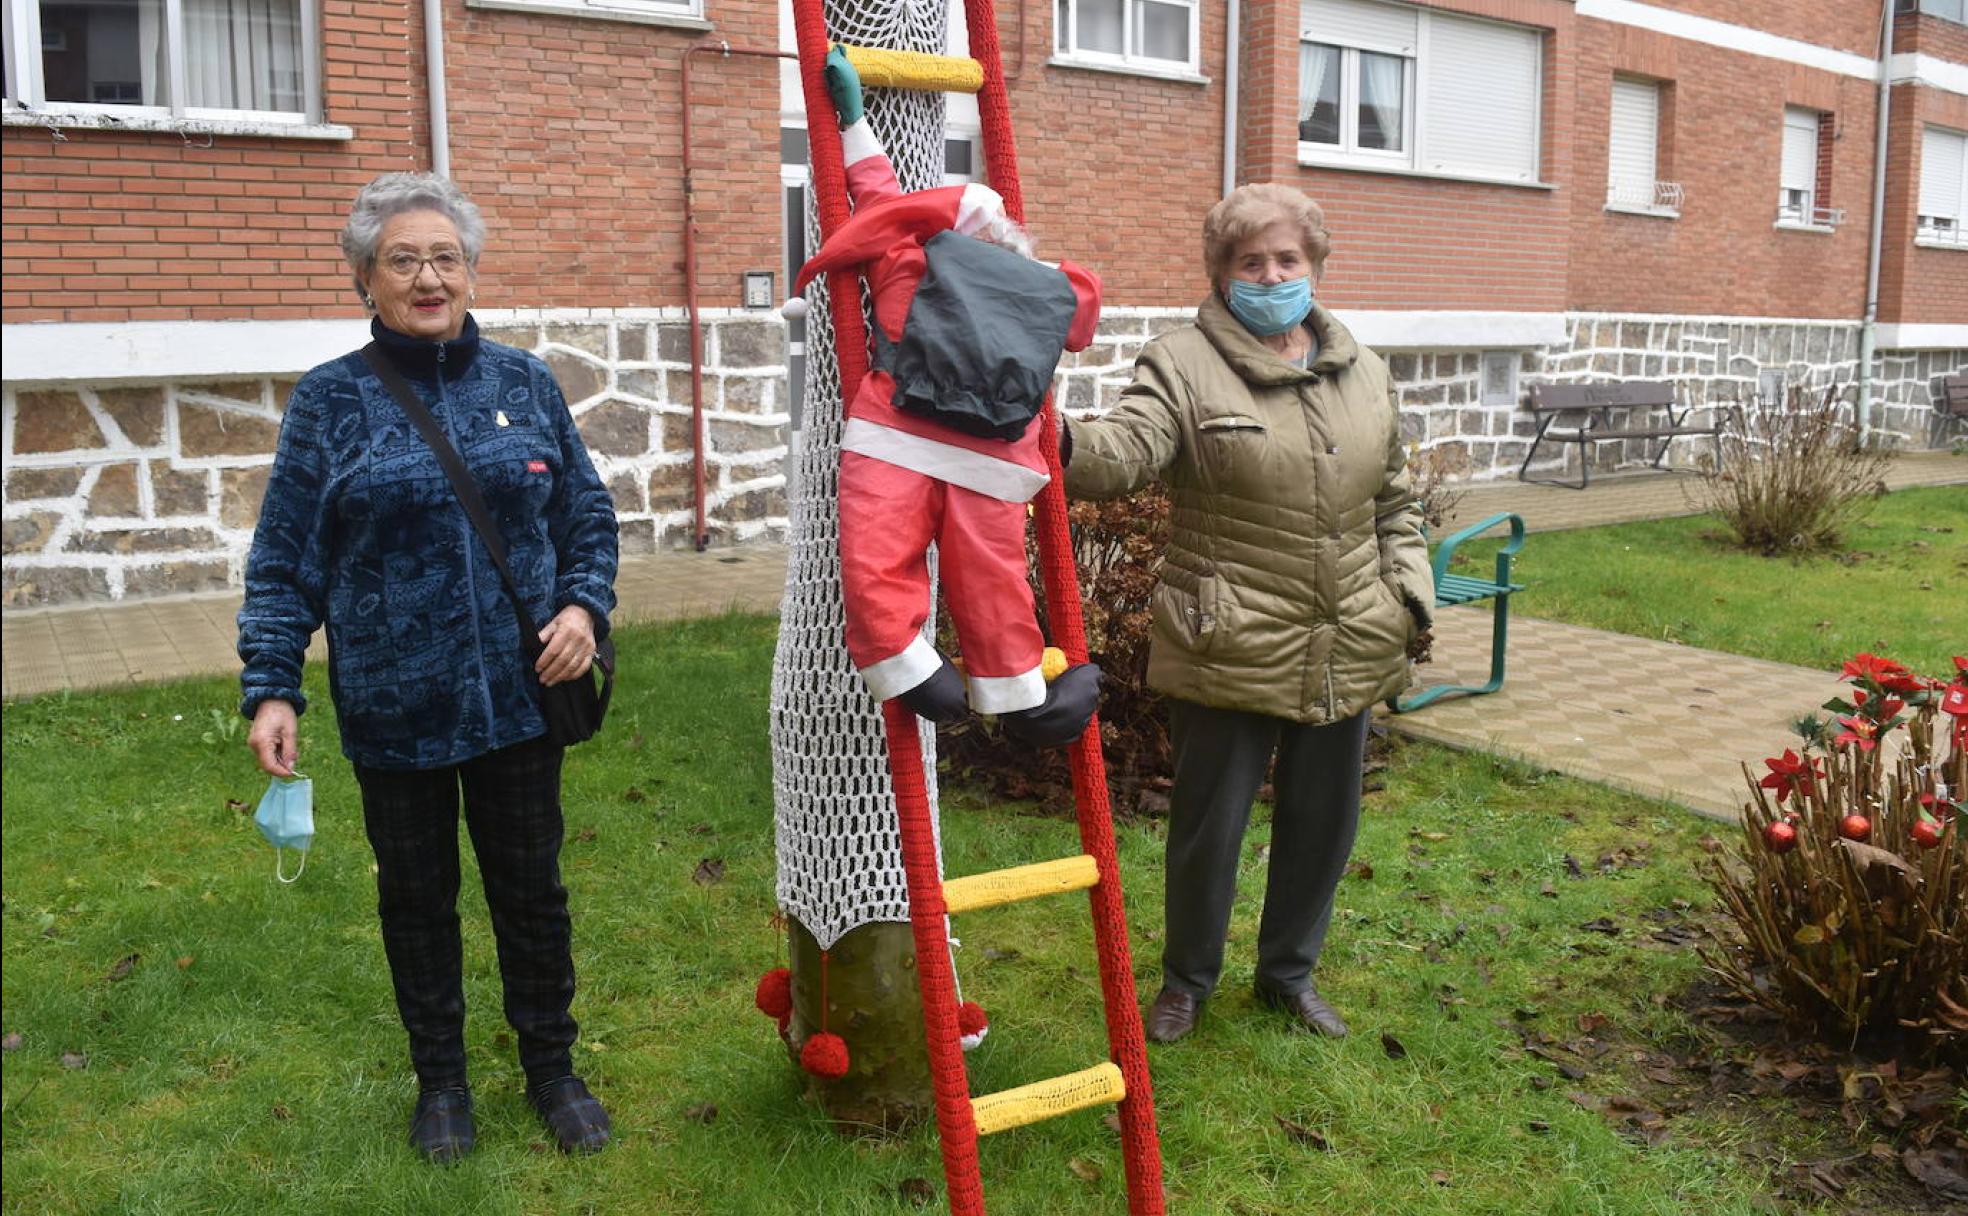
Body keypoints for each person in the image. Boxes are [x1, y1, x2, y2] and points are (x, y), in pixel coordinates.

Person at [237, 172, 620, 1161]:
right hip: (394, 707)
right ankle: (442, 1082)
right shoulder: (330, 400)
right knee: (416, 902)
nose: (428, 277)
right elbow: (285, 558)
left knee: (531, 893)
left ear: (471, 272)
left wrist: (583, 606)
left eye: (445, 257)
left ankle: (552, 1068)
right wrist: (272, 683)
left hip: (523, 699)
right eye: (402, 260)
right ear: (365, 279)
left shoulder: (525, 383)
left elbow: (585, 512)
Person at [1061, 183, 1434, 1043]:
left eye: (1286, 259)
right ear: (1222, 273)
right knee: (1209, 827)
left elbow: (1395, 501)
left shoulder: (1364, 370)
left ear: (1315, 264)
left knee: (1323, 822)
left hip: (1350, 632)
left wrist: (1406, 596)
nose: (1271, 275)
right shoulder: (1182, 363)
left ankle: (1288, 976)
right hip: (1227, 635)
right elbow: (1128, 447)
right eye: (1250, 261)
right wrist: (1059, 438)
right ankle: (1187, 982)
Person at [791, 48, 1102, 747]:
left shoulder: (911, 256)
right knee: (994, 580)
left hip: (894, 438)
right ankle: (1019, 694)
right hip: (996, 460)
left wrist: (853, 120)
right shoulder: (1050, 287)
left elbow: (878, 197)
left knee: (877, 559)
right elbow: (1080, 327)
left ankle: (904, 664)